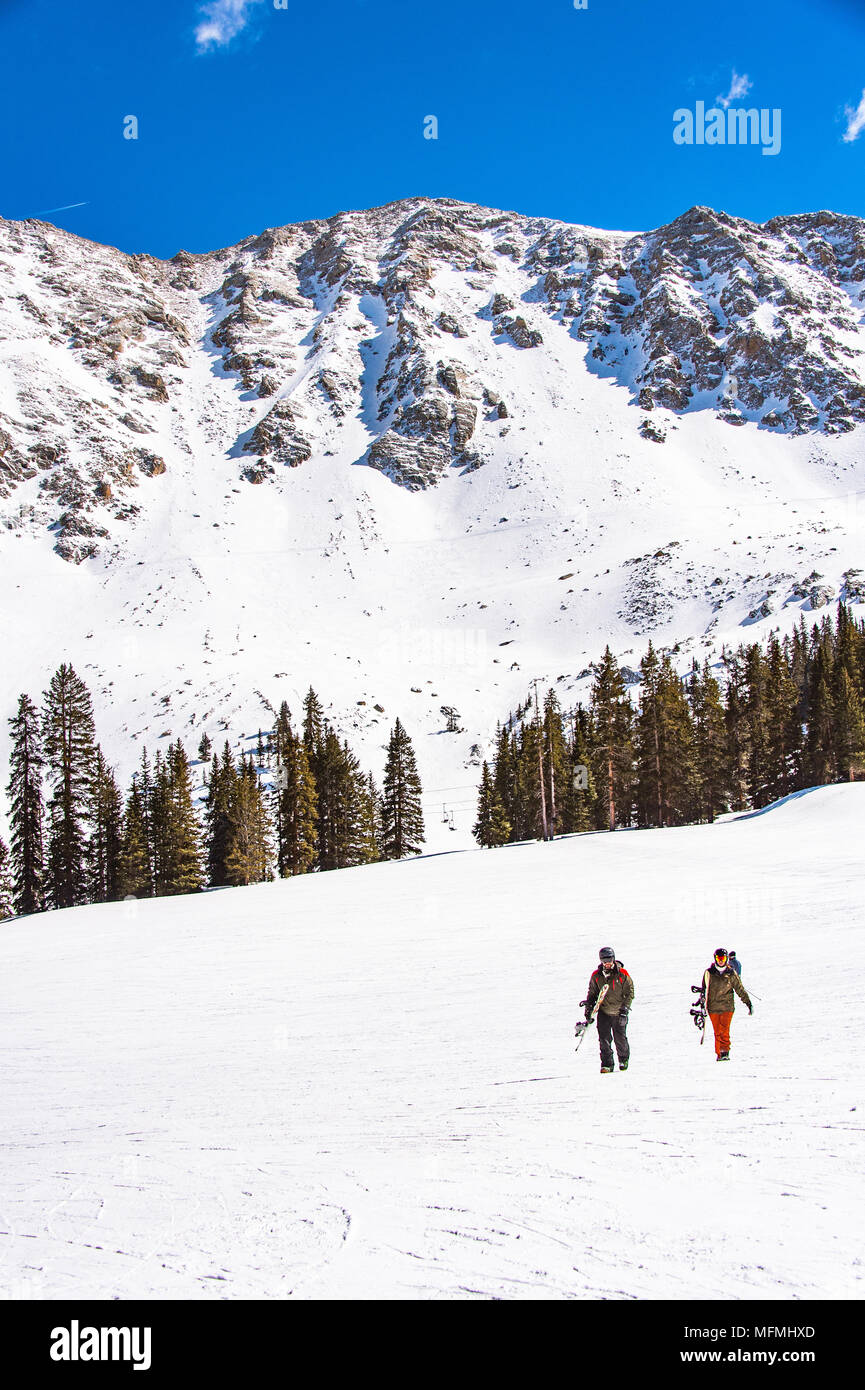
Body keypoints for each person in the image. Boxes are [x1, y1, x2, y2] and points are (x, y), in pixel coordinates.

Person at [584, 947, 634, 1073]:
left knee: (620, 1038)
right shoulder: (596, 976)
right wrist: (589, 1009)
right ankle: (607, 1064)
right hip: (604, 1012)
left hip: (618, 1012)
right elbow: (592, 994)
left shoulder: (623, 974)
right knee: (604, 1039)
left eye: (609, 960)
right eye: (605, 961)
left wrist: (625, 1009)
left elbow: (630, 992)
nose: (607, 963)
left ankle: (623, 1060)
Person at [705, 946, 752, 1061]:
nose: (721, 960)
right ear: (715, 958)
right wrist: (702, 1005)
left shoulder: (731, 973)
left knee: (724, 1029)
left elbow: (739, 989)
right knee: (717, 1031)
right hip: (713, 1007)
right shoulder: (709, 973)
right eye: (718, 957)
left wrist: (748, 1002)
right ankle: (719, 1053)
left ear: (726, 959)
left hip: (727, 1006)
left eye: (723, 957)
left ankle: (724, 1051)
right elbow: (704, 989)